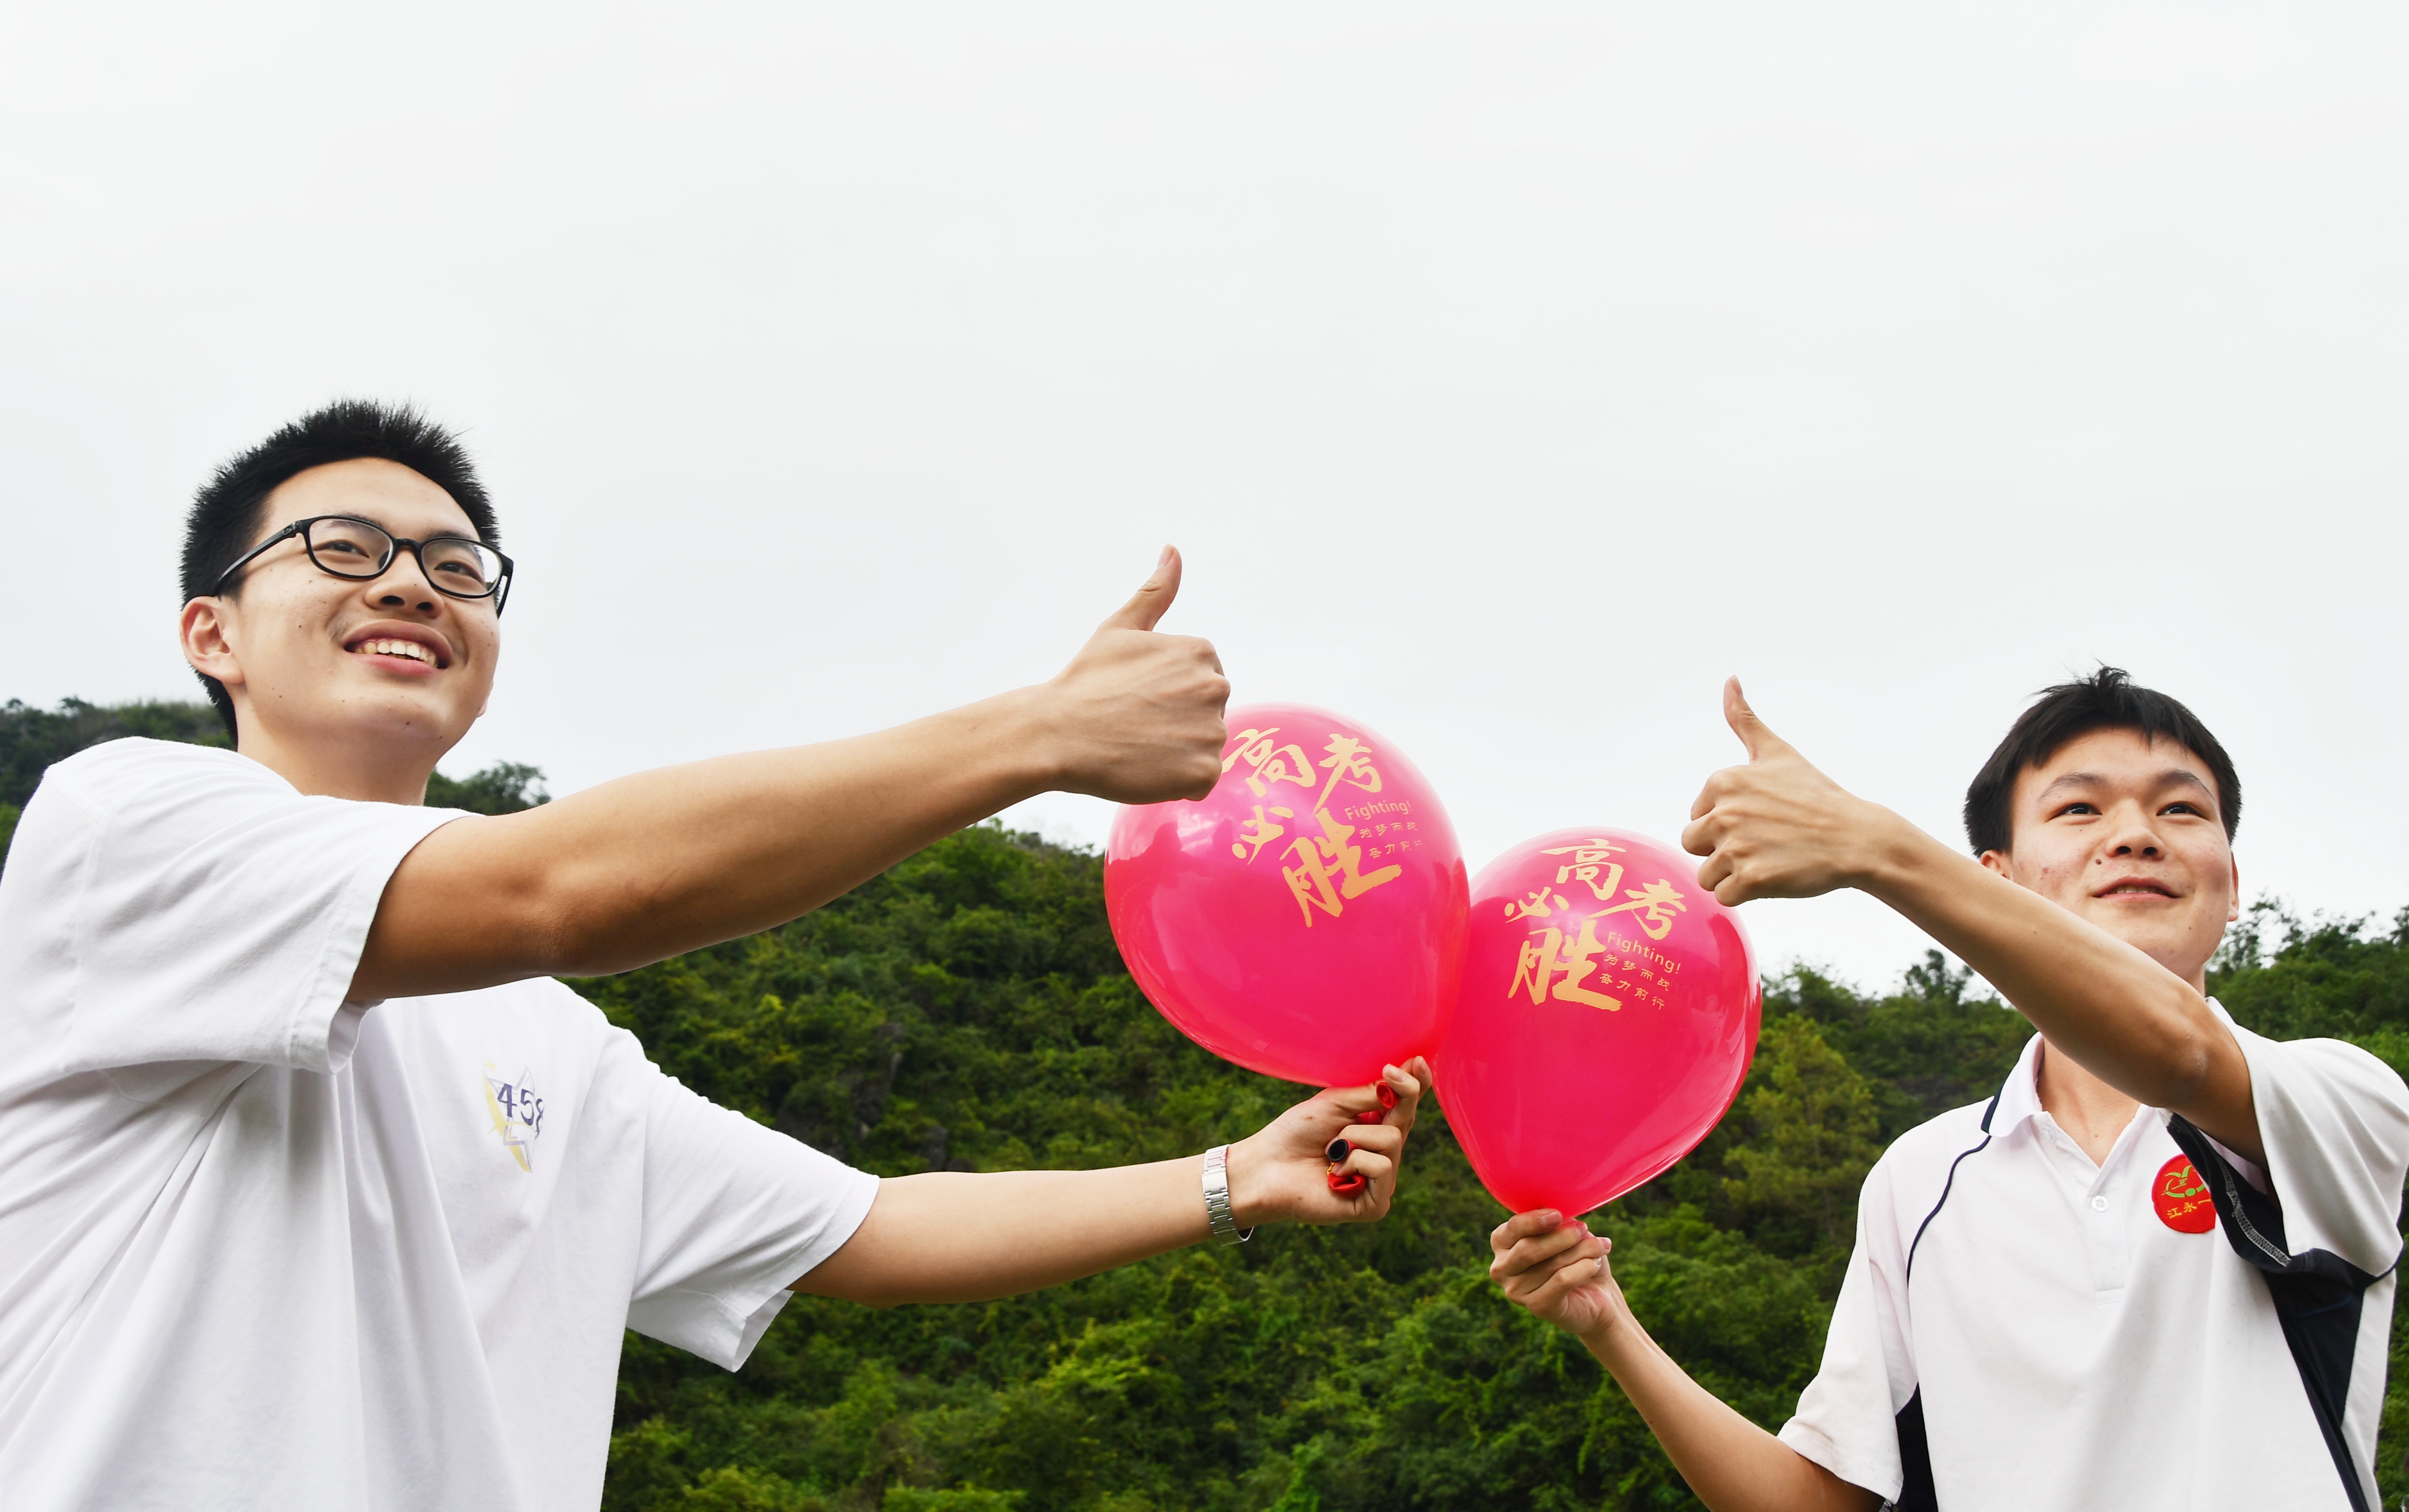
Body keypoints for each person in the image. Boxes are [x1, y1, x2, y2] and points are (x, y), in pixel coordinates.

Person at [0, 400, 1434, 1510]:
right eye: (344, 548)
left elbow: (868, 1229)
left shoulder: (547, 1043)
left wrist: (1236, 1177)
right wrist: (1036, 737)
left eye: (457, 567)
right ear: (214, 632)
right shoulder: (125, 832)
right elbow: (557, 883)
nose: (414, 586)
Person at [1489, 670, 2409, 1512]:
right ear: (1997, 882)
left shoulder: (2342, 1103)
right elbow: (1818, 1503)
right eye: (2078, 809)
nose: (2135, 833)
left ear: (2233, 882)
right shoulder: (1921, 1178)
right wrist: (1607, 1323)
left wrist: (1875, 850)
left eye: (2180, 810)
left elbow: (2182, 1053)